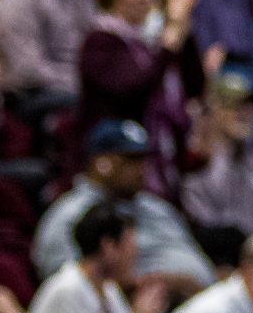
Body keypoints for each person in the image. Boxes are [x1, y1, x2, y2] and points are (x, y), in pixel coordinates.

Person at [34, 118, 213, 296]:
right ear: (102, 163)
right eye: (131, 160)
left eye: (143, 159)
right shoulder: (70, 215)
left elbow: (195, 260)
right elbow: (66, 287)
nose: (142, 169)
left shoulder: (156, 208)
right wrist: (150, 284)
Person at [26, 200, 165, 313]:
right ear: (109, 246)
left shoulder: (110, 291)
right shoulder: (67, 290)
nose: (135, 256)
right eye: (131, 247)